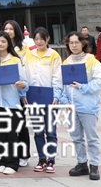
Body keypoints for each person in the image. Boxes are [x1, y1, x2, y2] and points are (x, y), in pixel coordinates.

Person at [60, 31, 101, 181]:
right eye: (70, 43)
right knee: (76, 137)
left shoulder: (92, 61)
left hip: (87, 106)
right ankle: (82, 163)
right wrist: (64, 100)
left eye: (76, 42)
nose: (73, 45)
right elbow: (63, 85)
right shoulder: (66, 62)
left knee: (91, 138)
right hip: (71, 108)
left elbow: (100, 81)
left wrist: (82, 87)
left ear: (83, 43)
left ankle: (94, 165)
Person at [0, 31, 28, 175]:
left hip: (11, 103)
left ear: (8, 43)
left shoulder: (15, 60)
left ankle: (13, 163)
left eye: (3, 41)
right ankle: (3, 161)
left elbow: (25, 81)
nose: (0, 44)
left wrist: (22, 85)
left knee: (11, 134)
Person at [22, 27, 61, 173]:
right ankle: (41, 158)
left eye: (41, 39)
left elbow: (58, 77)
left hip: (50, 99)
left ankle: (51, 160)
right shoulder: (29, 55)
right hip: (33, 99)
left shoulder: (54, 55)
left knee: (50, 132)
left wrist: (56, 96)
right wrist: (24, 94)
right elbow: (25, 76)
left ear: (47, 39)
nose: (39, 42)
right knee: (38, 131)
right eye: (36, 39)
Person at [2, 20, 29, 167]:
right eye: (6, 29)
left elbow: (25, 71)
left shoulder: (23, 48)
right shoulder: (1, 47)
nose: (8, 31)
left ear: (16, 31)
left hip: (19, 92)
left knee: (21, 126)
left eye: (11, 29)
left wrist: (24, 91)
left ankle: (23, 154)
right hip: (6, 94)